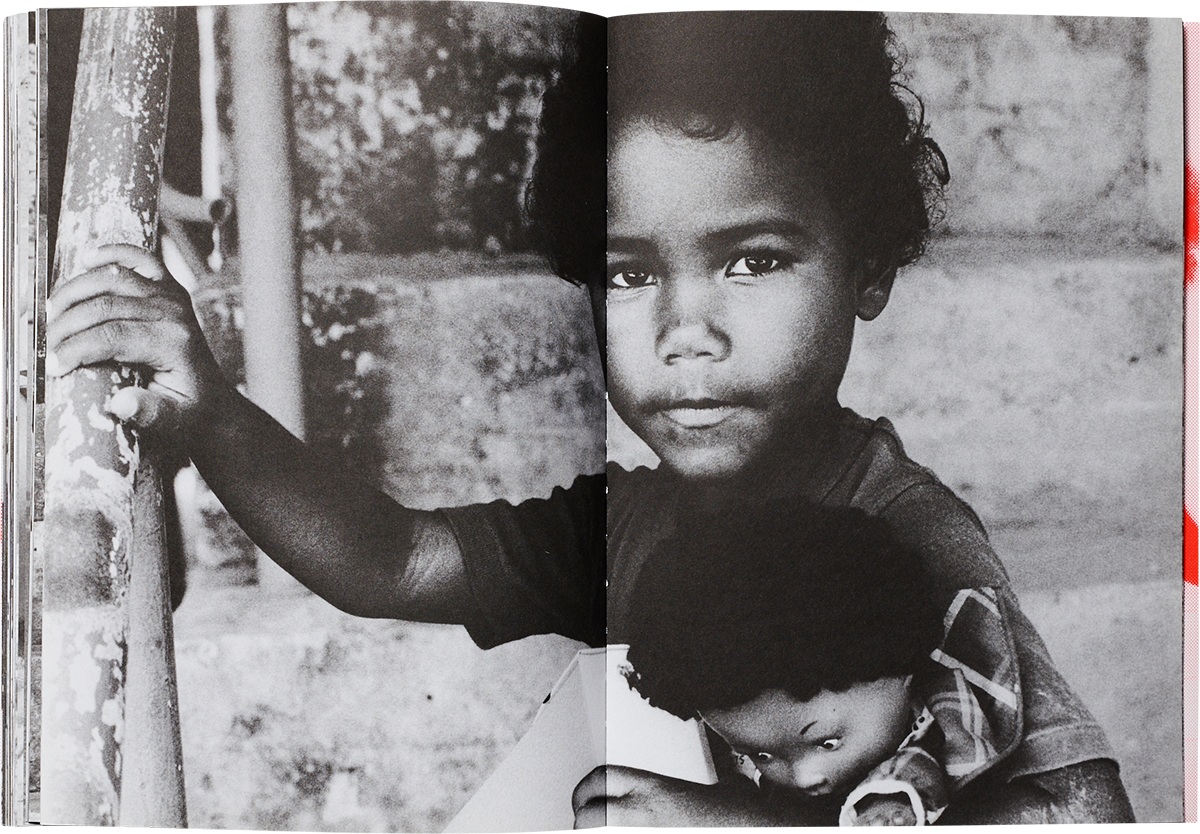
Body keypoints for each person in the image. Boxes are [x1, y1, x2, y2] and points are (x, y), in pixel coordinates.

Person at [45, 12, 1134, 825]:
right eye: (625, 275)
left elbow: (1081, 814)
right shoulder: (630, 530)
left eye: (754, 260)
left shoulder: (905, 529)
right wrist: (214, 417)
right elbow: (397, 560)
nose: (684, 331)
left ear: (867, 266)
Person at [620, 498, 1023, 831]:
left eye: (828, 742)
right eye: (760, 755)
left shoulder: (949, 731)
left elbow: (917, 778)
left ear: (902, 669)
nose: (804, 777)